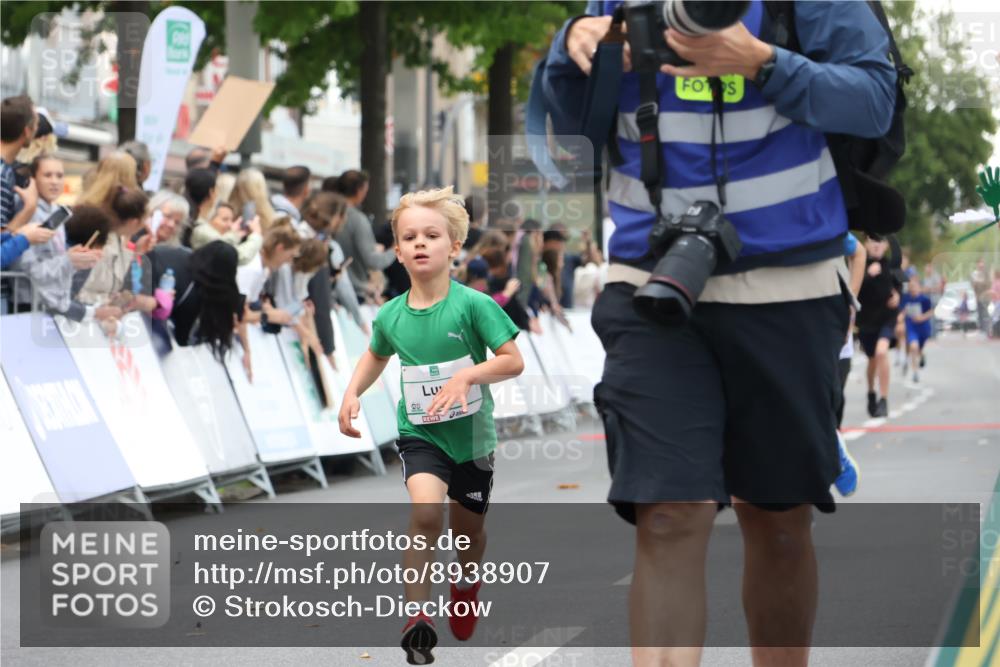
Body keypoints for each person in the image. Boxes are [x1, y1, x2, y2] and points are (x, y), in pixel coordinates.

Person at [544, 1, 897, 664]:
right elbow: (564, 144)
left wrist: (763, 62)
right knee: (669, 511)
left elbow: (874, 100)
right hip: (649, 286)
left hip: (789, 290)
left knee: (778, 520)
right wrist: (571, 50)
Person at [338, 187, 524, 665]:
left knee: (468, 535)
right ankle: (416, 615)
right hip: (421, 434)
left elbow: (512, 361)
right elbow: (376, 354)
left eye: (431, 235)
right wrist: (351, 392)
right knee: (425, 513)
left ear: (453, 245)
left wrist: (469, 374)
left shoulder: (474, 305)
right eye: (409, 237)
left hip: (472, 439)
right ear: (397, 251)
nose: (420, 243)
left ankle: (465, 583)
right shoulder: (391, 314)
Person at [833, 232, 866, 497]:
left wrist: (850, 302)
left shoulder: (818, 212)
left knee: (815, 411)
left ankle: (833, 447)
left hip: (828, 329)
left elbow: (859, 251)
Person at [328, 170, 396, 298]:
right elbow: (373, 261)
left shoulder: (328, 212)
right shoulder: (357, 220)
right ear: (360, 190)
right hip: (354, 292)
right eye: (366, 190)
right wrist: (395, 249)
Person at [857, 235, 901, 418]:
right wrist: (868, 275)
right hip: (867, 320)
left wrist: (898, 296)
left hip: (887, 318)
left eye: (880, 241)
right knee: (872, 359)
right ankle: (871, 393)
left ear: (885, 245)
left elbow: (902, 288)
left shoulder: (892, 266)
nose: (876, 245)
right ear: (866, 244)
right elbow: (853, 289)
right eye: (872, 241)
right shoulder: (859, 263)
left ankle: (883, 400)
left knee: (882, 352)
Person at [1, 95, 39, 231]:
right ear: (27, 131)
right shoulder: (2, 174)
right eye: (36, 124)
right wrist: (29, 209)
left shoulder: (6, 169)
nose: (37, 130)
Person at [189, 201, 263, 265]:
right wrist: (256, 234)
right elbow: (238, 255)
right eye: (225, 220)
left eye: (231, 220)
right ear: (209, 219)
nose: (230, 225)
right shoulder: (201, 231)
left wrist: (236, 235)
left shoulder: (226, 238)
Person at [900, 275, 933, 382]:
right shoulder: (905, 298)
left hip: (923, 328)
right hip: (911, 326)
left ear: (919, 287)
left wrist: (922, 317)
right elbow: (902, 311)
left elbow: (931, 311)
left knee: (919, 348)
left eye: (914, 286)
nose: (912, 288)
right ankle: (915, 372)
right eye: (911, 286)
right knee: (913, 347)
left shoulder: (924, 299)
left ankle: (922, 355)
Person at [971, 259, 991, 336]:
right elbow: (973, 284)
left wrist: (979, 282)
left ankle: (987, 330)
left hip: (985, 297)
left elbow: (988, 284)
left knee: (985, 313)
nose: (980, 266)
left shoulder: (986, 274)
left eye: (982, 265)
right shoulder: (975, 274)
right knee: (979, 314)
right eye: (979, 265)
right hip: (978, 296)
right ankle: (982, 330)